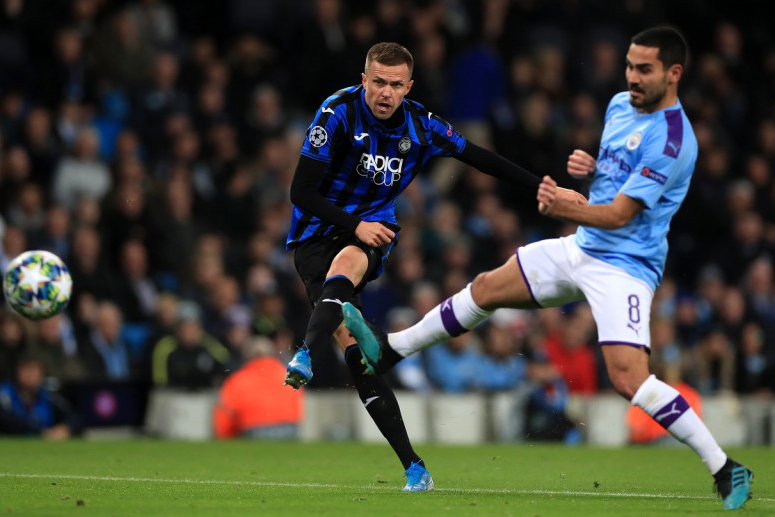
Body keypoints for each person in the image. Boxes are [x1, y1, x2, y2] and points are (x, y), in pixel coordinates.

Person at [342, 28, 753, 510]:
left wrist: (562, 205)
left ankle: (725, 467)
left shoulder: (675, 140)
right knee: (486, 288)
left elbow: (623, 214)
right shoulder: (621, 105)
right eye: (629, 66)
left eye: (645, 70)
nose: (632, 77)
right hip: (583, 246)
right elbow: (617, 181)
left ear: (673, 74)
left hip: (626, 265)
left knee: (627, 379)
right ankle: (392, 350)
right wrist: (594, 171)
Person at [283, 41, 584, 491]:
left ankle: (304, 353)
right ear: (364, 80)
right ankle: (415, 467)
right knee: (359, 356)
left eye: (395, 85)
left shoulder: (422, 125)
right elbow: (300, 192)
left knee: (346, 266)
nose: (385, 93)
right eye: (378, 82)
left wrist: (544, 188)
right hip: (316, 232)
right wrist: (354, 223)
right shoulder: (336, 114)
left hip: (372, 231)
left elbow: (480, 157)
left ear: (409, 86)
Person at [213, 337, 303, 440]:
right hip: (289, 431)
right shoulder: (290, 377)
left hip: (253, 431)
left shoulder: (237, 380)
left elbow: (225, 415)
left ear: (246, 356)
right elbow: (298, 407)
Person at [0, 354, 82, 439]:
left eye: (35, 371)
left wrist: (65, 428)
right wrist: (41, 432)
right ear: (18, 373)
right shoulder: (4, 392)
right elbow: (4, 420)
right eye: (27, 370)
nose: (31, 375)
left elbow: (73, 416)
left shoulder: (47, 395)